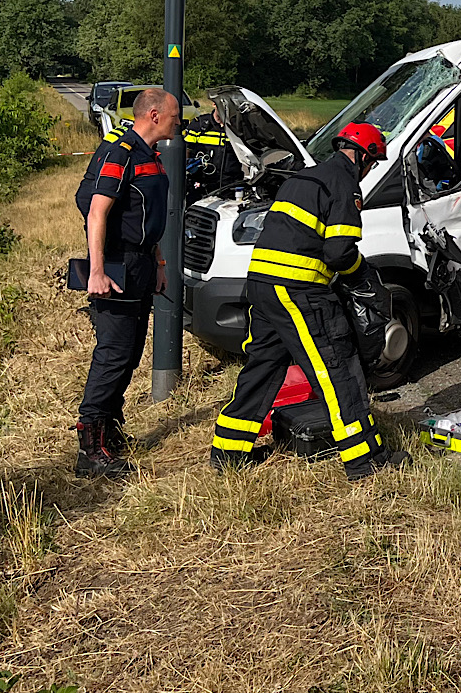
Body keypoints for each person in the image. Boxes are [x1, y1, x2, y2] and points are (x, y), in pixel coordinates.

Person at [208, 122, 403, 479]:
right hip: (300, 291)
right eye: (372, 163)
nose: (370, 170)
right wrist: (364, 278)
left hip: (263, 286)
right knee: (337, 367)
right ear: (363, 157)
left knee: (264, 366)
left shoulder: (303, 177)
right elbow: (340, 252)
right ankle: (365, 457)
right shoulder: (344, 185)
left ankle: (229, 451)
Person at [72, 86, 180, 478]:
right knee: (113, 354)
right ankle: (90, 449)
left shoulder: (148, 155)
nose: (179, 120)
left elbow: (146, 218)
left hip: (140, 264)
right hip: (116, 266)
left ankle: (111, 435)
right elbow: (97, 213)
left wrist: (160, 264)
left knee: (130, 353)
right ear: (154, 115)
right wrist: (97, 271)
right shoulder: (119, 151)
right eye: (174, 114)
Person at [182, 102, 238, 199]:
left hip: (229, 187)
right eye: (222, 105)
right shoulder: (199, 125)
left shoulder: (238, 128)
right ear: (214, 104)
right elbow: (185, 151)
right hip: (201, 187)